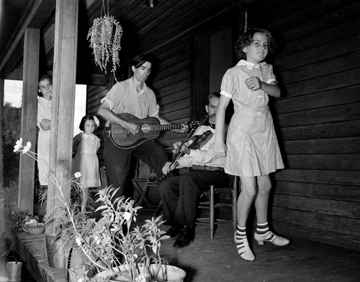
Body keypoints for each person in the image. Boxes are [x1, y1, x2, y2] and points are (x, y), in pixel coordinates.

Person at [214, 28, 290, 262]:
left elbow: (277, 91)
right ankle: (240, 236)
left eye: (265, 45)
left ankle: (263, 230)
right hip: (243, 131)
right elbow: (222, 108)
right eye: (256, 43)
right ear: (245, 47)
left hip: (265, 130)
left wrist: (261, 84)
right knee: (250, 189)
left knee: (265, 185)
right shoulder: (233, 73)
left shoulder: (267, 69)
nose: (261, 48)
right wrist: (219, 139)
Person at [97, 53, 186, 199]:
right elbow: (102, 110)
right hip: (116, 138)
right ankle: (116, 220)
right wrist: (125, 123)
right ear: (133, 68)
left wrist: (175, 127)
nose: (146, 72)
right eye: (143, 68)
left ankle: (173, 206)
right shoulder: (120, 87)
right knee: (118, 184)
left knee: (159, 153)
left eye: (149, 70)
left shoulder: (150, 94)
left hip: (138, 139)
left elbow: (155, 119)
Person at [158, 92, 228, 248]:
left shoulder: (227, 129)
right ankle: (176, 223)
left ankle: (187, 229)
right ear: (206, 108)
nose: (215, 111)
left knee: (187, 179)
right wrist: (175, 164)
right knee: (166, 185)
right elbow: (190, 158)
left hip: (217, 173)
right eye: (212, 106)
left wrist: (188, 151)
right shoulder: (201, 129)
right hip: (197, 173)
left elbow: (214, 156)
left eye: (219, 107)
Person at [72, 115, 101, 189]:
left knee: (90, 182)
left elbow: (96, 149)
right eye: (88, 125)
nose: (90, 128)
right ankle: (79, 197)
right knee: (81, 182)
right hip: (81, 161)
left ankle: (88, 197)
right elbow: (71, 146)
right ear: (83, 125)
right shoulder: (79, 137)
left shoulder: (96, 139)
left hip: (92, 162)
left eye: (92, 126)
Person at [37, 75, 52, 190]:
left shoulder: (58, 102)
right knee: (47, 172)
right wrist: (60, 122)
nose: (47, 89)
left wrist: (52, 122)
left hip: (59, 140)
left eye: (49, 85)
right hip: (46, 141)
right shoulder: (39, 104)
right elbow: (45, 125)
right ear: (39, 90)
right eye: (43, 87)